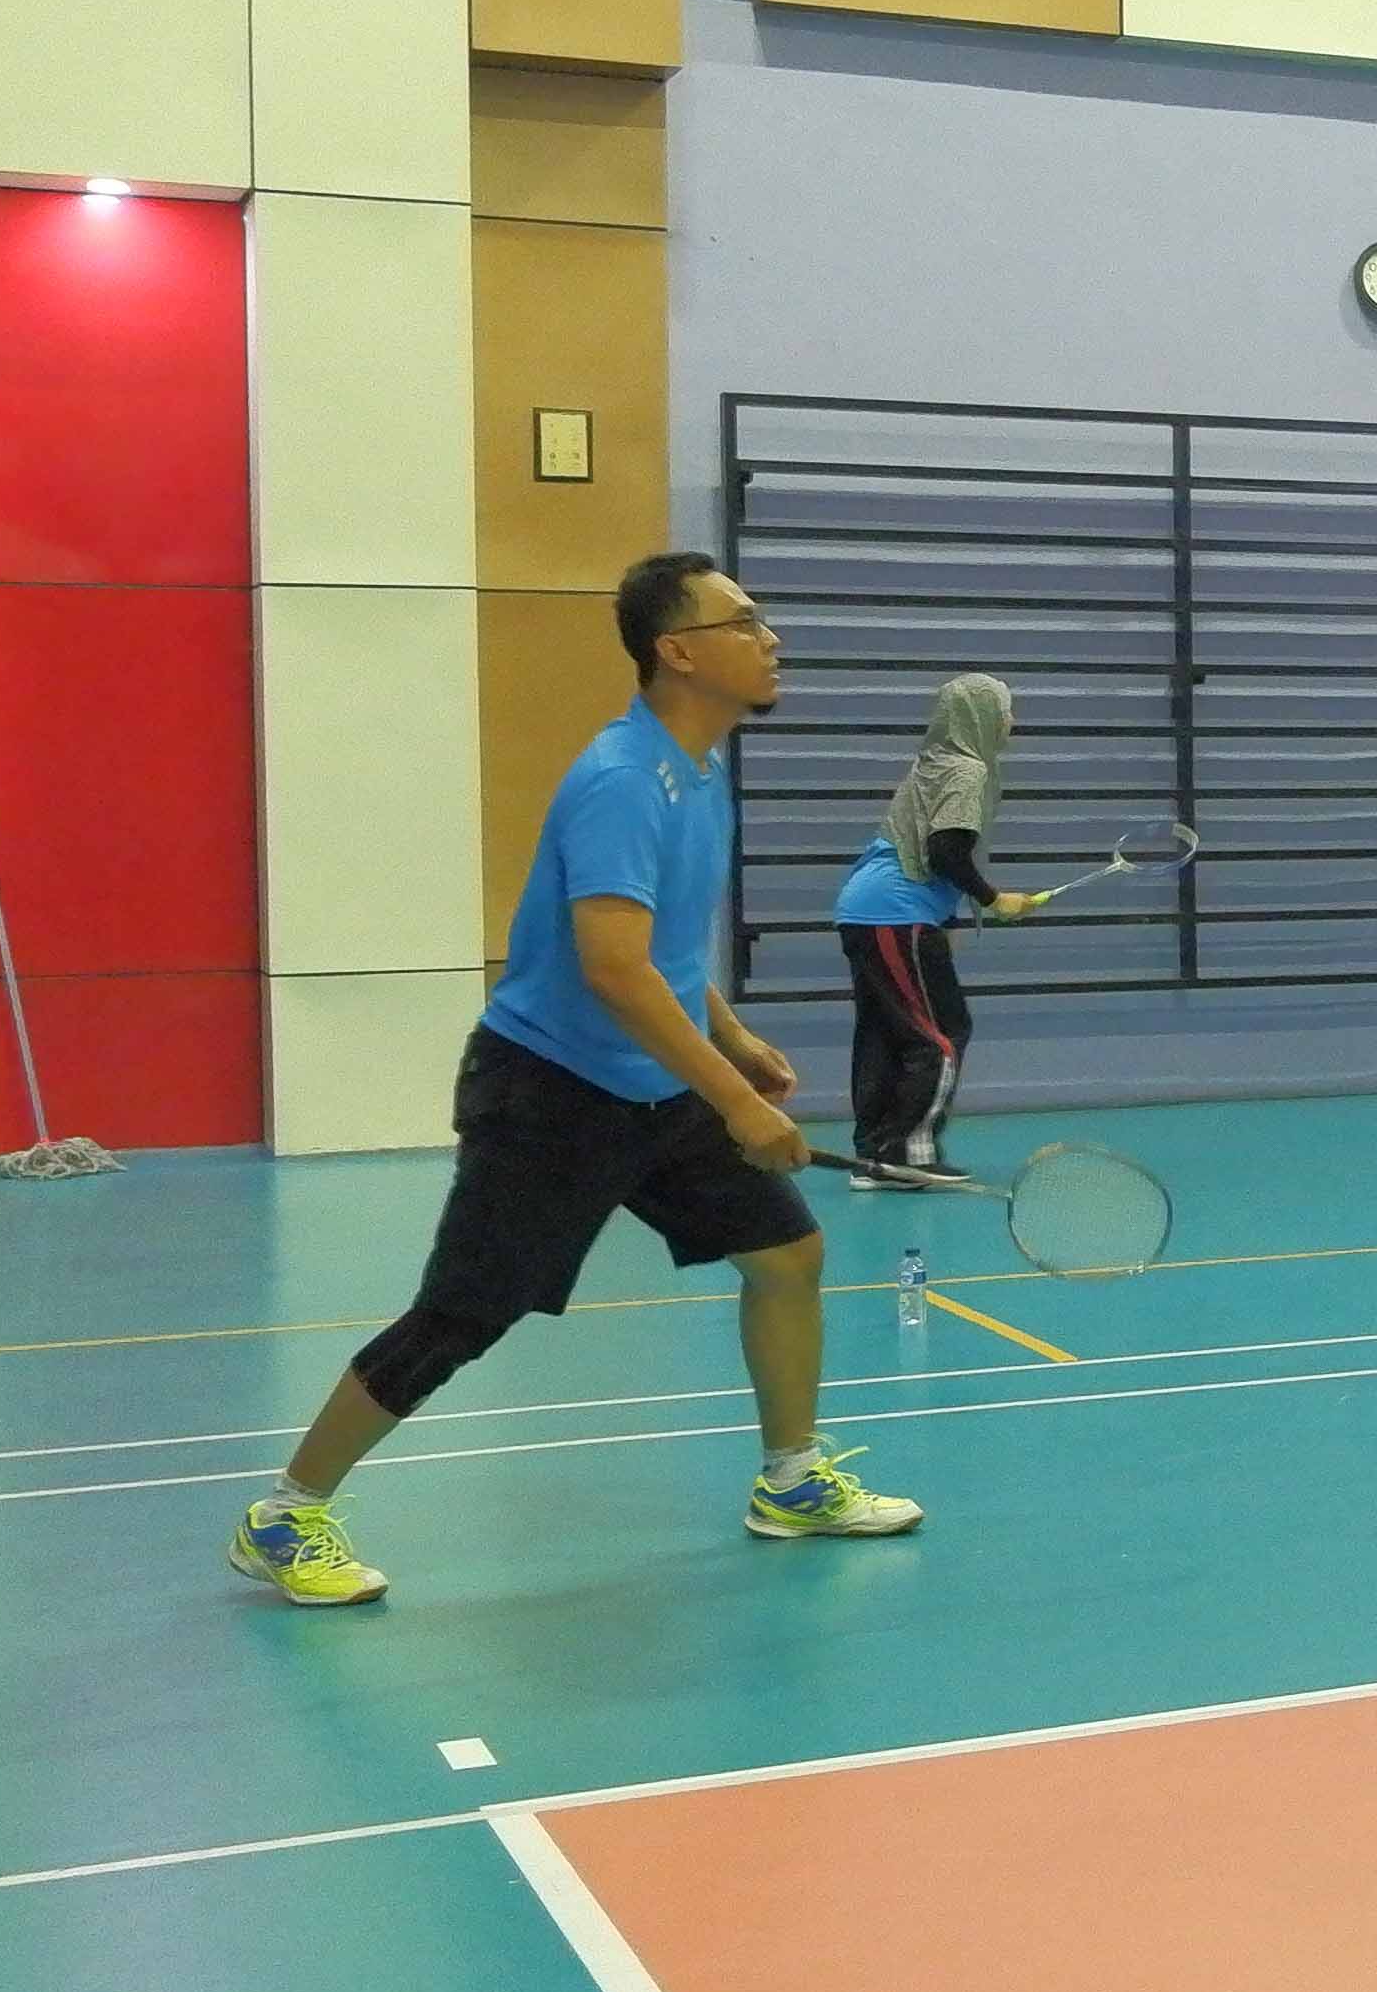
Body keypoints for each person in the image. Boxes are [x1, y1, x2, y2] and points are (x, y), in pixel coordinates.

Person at [230, 552, 922, 1608]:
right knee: (462, 1315)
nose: (770, 637)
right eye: (744, 621)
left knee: (788, 1253)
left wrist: (732, 1038)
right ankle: (285, 1514)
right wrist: (736, 1102)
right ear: (677, 651)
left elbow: (661, 948)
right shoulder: (621, 779)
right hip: (550, 1091)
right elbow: (612, 969)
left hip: (653, 1083)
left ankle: (790, 1481)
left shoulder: (699, 772)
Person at [831, 672, 1046, 1187]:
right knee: (941, 1035)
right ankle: (907, 1153)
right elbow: (945, 851)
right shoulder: (967, 770)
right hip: (896, 912)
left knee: (886, 1036)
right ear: (981, 717)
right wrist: (994, 899)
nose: (1011, 720)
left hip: (871, 912)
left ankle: (876, 1155)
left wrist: (945, 919)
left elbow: (922, 844)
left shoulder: (933, 762)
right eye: (1005, 710)